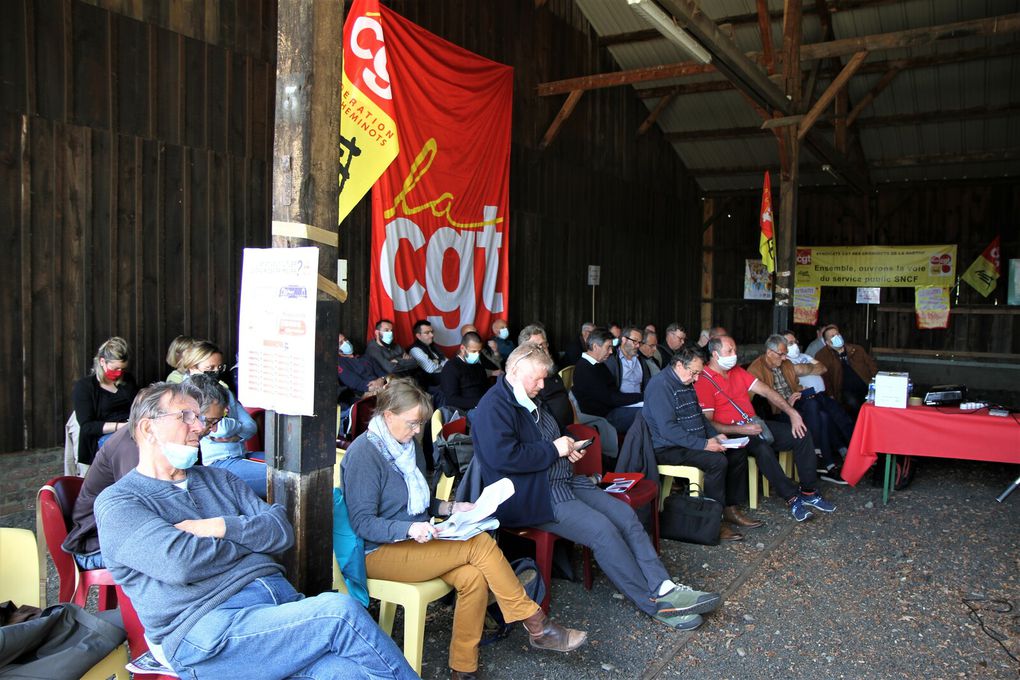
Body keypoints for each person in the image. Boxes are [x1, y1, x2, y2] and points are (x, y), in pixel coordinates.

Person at [94, 382, 415, 679]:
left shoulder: (220, 480)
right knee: (340, 613)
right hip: (206, 632)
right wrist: (249, 542)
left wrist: (218, 527)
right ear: (148, 427)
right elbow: (180, 562)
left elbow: (279, 532)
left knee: (349, 673)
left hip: (274, 612)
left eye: (199, 417)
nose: (200, 426)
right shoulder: (120, 502)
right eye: (186, 416)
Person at [342, 378, 587, 680]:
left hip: (413, 539)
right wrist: (412, 530)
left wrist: (450, 508)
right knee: (478, 545)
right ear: (388, 415)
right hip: (378, 551)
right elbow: (363, 523)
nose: (418, 431)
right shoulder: (364, 454)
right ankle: (536, 623)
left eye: (420, 423)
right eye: (412, 423)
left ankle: (463, 669)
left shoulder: (405, 443)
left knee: (472, 577)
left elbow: (416, 502)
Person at [472, 344, 721, 630]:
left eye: (544, 379)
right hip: (532, 495)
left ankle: (664, 586)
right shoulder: (494, 407)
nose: (542, 386)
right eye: (536, 379)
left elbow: (551, 433)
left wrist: (568, 444)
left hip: (563, 481)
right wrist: (555, 450)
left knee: (626, 517)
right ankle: (652, 602)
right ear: (514, 372)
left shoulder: (528, 395)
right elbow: (504, 457)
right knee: (603, 531)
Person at [63, 376, 224, 571]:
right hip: (97, 544)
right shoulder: (135, 448)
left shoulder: (177, 441)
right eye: (205, 420)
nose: (203, 428)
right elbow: (143, 515)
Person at [695, 336, 836, 522]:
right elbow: (708, 423)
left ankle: (809, 492)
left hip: (755, 424)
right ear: (714, 354)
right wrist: (741, 429)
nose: (734, 355)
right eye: (729, 351)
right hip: (732, 432)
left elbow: (767, 391)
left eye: (735, 350)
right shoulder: (703, 380)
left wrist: (792, 413)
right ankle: (792, 497)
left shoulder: (737, 371)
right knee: (762, 448)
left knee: (801, 433)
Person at [643, 347, 760, 542]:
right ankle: (714, 522)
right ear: (679, 365)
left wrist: (716, 435)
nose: (696, 379)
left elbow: (699, 415)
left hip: (690, 441)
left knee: (736, 453)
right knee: (716, 461)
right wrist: (705, 444)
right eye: (694, 373)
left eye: (698, 373)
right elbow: (668, 430)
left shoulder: (685, 380)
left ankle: (729, 508)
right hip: (667, 447)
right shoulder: (660, 386)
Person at [747, 335, 851, 485]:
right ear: (769, 352)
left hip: (794, 404)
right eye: (781, 354)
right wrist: (786, 403)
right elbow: (756, 403)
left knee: (818, 405)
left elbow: (796, 384)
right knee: (819, 411)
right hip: (778, 412)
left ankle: (824, 462)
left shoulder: (786, 364)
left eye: (785, 353)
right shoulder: (755, 370)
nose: (784, 358)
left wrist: (801, 391)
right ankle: (825, 460)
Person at [178, 341, 265, 498]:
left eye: (219, 368)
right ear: (192, 367)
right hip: (216, 463)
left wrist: (236, 435)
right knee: (281, 477)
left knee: (285, 467)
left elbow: (251, 426)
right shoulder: (185, 395)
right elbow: (220, 429)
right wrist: (235, 426)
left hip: (240, 453)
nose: (215, 372)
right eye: (209, 368)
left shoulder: (223, 390)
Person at [72, 337, 139, 470]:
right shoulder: (85, 387)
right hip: (104, 435)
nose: (119, 373)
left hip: (131, 429)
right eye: (115, 368)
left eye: (122, 369)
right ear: (102, 361)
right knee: (129, 451)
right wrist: (122, 427)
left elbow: (138, 405)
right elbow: (87, 427)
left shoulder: (127, 380)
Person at [572, 329, 642, 434]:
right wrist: (641, 397)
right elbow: (611, 399)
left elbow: (613, 394)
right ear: (595, 346)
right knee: (645, 413)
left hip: (612, 409)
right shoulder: (584, 369)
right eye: (608, 347)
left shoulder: (599, 365)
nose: (611, 351)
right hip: (602, 418)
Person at [517, 324, 575, 433]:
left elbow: (565, 397)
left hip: (568, 428)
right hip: (551, 435)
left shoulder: (552, 370)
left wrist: (575, 421)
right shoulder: (527, 380)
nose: (545, 349)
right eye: (539, 346)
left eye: (545, 344)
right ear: (525, 351)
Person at [815, 324, 878, 417]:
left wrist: (876, 382)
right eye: (832, 336)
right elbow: (825, 378)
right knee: (854, 404)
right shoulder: (822, 356)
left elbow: (872, 366)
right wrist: (831, 395)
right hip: (844, 392)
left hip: (866, 386)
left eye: (837, 334)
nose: (837, 337)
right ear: (828, 342)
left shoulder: (857, 350)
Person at [440, 332, 490, 414]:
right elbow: (452, 399)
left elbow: (485, 388)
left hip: (484, 406)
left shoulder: (479, 367)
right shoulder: (451, 367)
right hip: (465, 411)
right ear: (463, 348)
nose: (477, 355)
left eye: (479, 351)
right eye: (473, 351)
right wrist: (479, 402)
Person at [338, 331, 388, 405]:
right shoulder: (340, 363)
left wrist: (382, 379)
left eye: (345, 339)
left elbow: (382, 373)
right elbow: (354, 382)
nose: (345, 343)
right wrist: (373, 387)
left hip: (382, 384)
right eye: (341, 343)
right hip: (366, 392)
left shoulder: (365, 357)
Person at [607, 326, 653, 394]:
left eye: (639, 342)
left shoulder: (641, 359)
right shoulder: (612, 359)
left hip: (640, 402)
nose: (637, 346)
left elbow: (647, 383)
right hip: (620, 403)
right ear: (624, 340)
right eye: (634, 341)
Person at [408, 319, 448, 387]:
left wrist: (437, 362)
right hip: (432, 386)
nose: (432, 335)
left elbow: (447, 361)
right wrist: (440, 362)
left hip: (443, 379)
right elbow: (431, 369)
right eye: (427, 333)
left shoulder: (432, 345)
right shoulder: (415, 350)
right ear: (418, 336)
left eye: (432, 332)